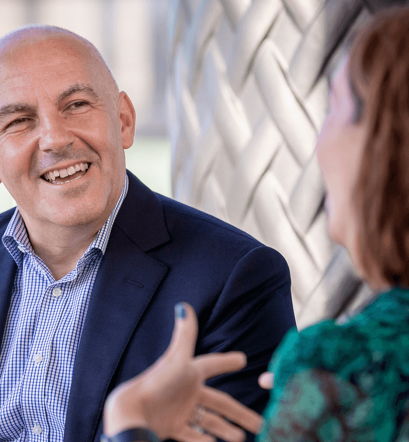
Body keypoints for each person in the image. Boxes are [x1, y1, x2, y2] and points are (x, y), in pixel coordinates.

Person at [0, 25, 296, 442]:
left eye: (75, 105)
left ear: (124, 121)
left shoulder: (235, 278)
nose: (55, 139)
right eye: (19, 121)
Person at [102, 6, 409, 442]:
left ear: (387, 149)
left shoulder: (349, 369)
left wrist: (130, 422)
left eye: (334, 106)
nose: (319, 141)